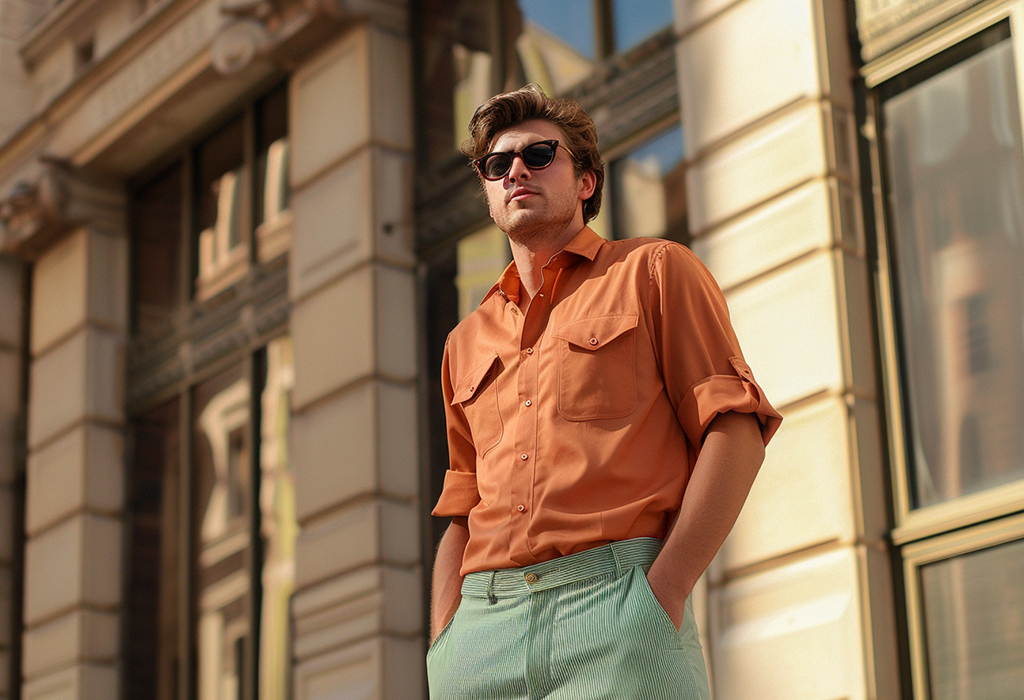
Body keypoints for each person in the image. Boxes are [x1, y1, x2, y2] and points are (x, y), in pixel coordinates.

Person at [426, 84, 782, 700]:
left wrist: (664, 591)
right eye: (497, 164)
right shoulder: (465, 341)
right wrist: (444, 640)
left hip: (618, 607)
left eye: (540, 155)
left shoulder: (655, 272)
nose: (515, 170)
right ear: (487, 193)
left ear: (587, 182)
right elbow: (462, 506)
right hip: (481, 635)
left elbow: (736, 429)